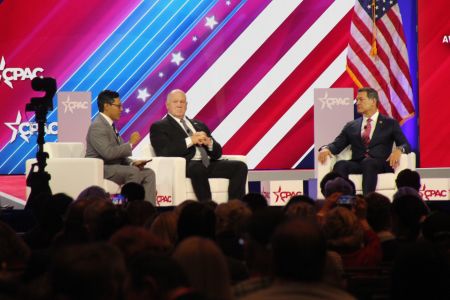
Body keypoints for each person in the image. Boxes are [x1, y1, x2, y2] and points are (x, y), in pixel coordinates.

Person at [150, 89, 248, 202]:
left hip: (207, 163)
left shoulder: (199, 124)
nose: (179, 105)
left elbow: (218, 153)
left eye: (182, 102)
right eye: (175, 102)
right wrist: (190, 140)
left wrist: (209, 143)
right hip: (186, 164)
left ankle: (233, 207)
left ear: (186, 105)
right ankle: (208, 207)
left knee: (240, 166)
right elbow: (164, 151)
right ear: (167, 105)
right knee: (198, 168)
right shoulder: (159, 126)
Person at [318, 87, 410, 195]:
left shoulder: (390, 123)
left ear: (373, 101)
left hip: (379, 163)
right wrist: (326, 149)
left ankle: (367, 201)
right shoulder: (351, 126)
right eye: (357, 100)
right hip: (358, 163)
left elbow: (405, 144)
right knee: (340, 165)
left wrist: (399, 150)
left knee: (369, 162)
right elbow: (337, 144)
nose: (357, 103)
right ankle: (345, 201)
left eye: (361, 99)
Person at [86, 90, 156, 204]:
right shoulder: (97, 126)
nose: (121, 109)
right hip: (102, 168)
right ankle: (129, 210)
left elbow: (119, 151)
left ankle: (148, 210)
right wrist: (130, 144)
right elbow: (108, 153)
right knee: (132, 172)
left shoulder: (110, 125)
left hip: (114, 166)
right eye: (119, 106)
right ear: (107, 106)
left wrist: (132, 163)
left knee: (149, 173)